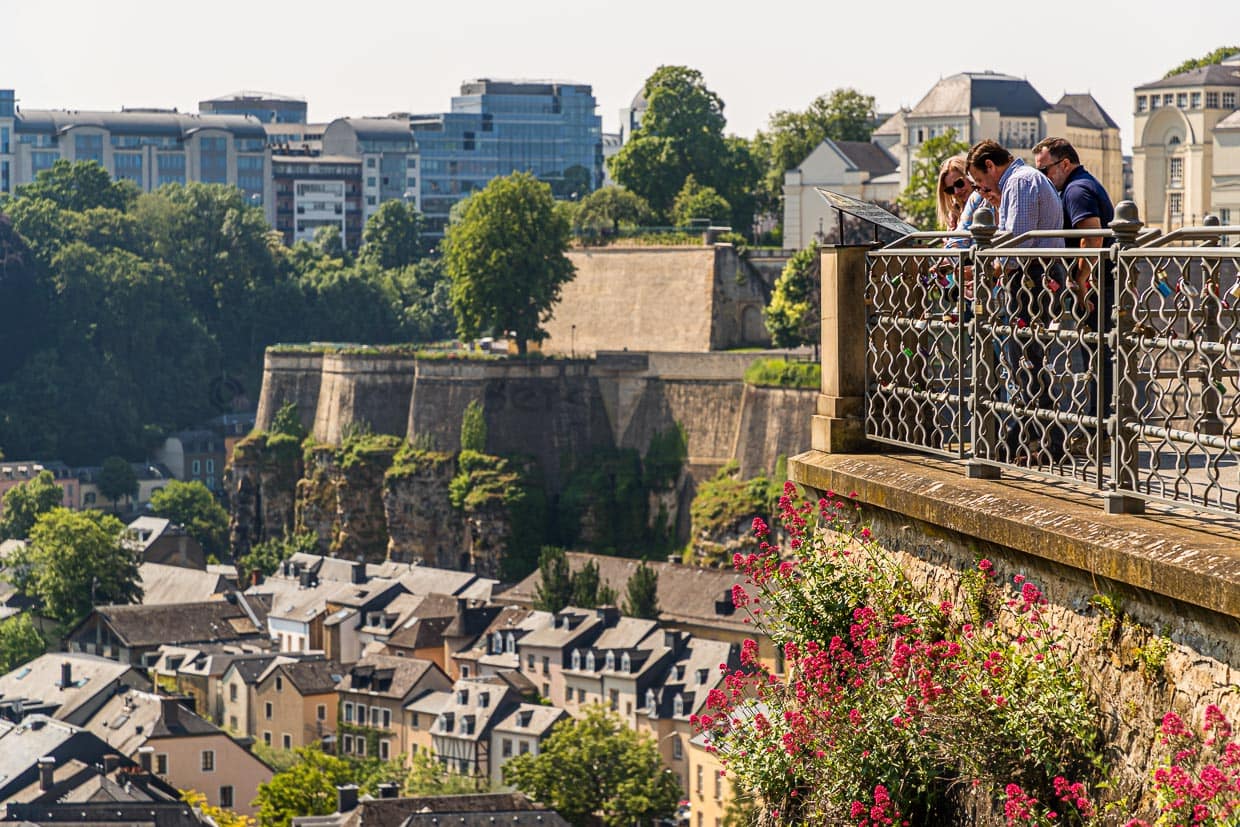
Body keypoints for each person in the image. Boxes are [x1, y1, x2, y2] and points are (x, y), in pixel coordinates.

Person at [966, 139, 1065, 464]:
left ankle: (1036, 442)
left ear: (991, 167)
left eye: (980, 182)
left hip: (1030, 280)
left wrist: (990, 268)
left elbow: (1016, 243)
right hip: (1035, 278)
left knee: (1026, 363)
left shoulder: (1019, 182)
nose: (982, 189)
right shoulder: (1024, 180)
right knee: (1029, 364)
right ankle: (1036, 441)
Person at [1032, 137, 1115, 455]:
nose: (1044, 178)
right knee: (1099, 357)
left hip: (1097, 286)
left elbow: (1091, 237)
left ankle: (1101, 435)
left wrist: (1081, 282)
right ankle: (1101, 432)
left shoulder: (1077, 189)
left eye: (1046, 169)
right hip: (1102, 283)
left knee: (1099, 359)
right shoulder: (1081, 184)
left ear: (1064, 163)